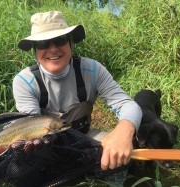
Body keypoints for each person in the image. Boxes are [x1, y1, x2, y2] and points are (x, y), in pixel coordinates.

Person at [13, 10, 142, 183]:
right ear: (35, 50)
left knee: (124, 152)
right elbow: (30, 123)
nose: (52, 49)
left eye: (60, 40)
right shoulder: (24, 81)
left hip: (86, 137)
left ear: (71, 43)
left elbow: (128, 105)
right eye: (43, 43)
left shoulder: (93, 70)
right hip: (47, 146)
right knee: (16, 170)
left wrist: (123, 132)